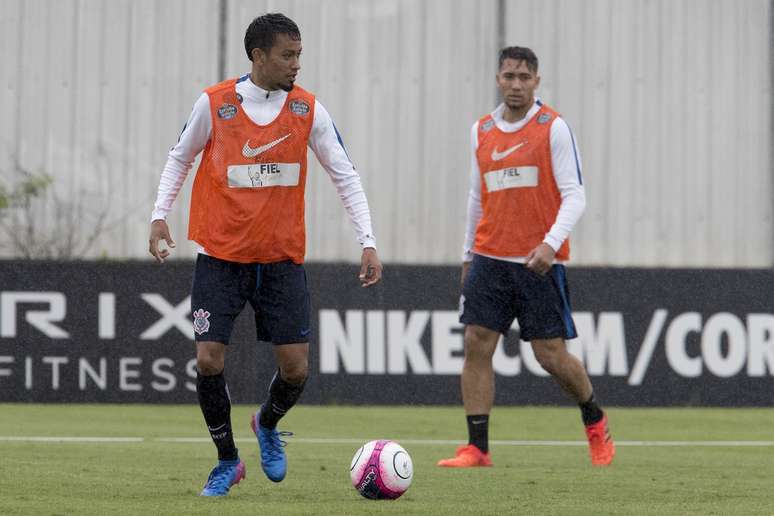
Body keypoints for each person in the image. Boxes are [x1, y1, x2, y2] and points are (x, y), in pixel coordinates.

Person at [148, 13, 382, 496]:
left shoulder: (308, 110)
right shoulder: (215, 104)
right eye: (287, 55)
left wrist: (368, 239)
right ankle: (228, 460)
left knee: (296, 370)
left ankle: (268, 423)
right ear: (258, 56)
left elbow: (345, 173)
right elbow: (180, 156)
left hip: (280, 262)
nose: (297, 64)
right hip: (220, 258)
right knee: (209, 360)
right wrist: (158, 215)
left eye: (299, 54)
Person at [437, 46, 614, 468]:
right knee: (476, 344)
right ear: (498, 79)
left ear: (536, 80)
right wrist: (468, 254)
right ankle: (477, 448)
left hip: (538, 261)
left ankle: (595, 419)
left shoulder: (552, 127)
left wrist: (550, 244)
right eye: (508, 76)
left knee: (550, 355)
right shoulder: (481, 130)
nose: (515, 84)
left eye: (523, 77)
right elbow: (476, 197)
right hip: (489, 257)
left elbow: (575, 196)